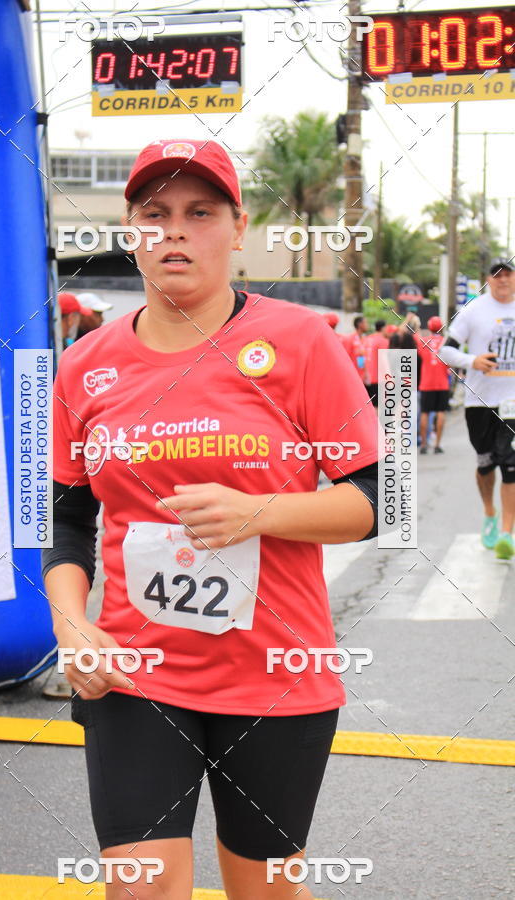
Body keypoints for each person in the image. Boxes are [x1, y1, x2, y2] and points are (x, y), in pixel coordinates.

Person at [42, 138, 380, 899]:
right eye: (154, 213)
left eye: (199, 213)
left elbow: (377, 501)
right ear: (130, 229)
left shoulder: (301, 341)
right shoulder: (81, 365)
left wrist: (259, 512)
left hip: (277, 676)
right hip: (134, 672)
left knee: (262, 891)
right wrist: (72, 624)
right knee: (141, 888)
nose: (174, 231)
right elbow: (63, 522)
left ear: (238, 227)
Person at [439, 257, 515, 560]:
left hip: (512, 403)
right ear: (488, 279)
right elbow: (445, 350)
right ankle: (489, 512)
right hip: (479, 402)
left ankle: (507, 532)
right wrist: (473, 361)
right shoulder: (473, 311)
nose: (503, 280)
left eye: (508, 274)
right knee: (485, 464)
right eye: (497, 275)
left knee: (510, 464)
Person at [418, 316, 450, 454]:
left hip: (426, 383)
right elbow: (450, 362)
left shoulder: (423, 342)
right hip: (442, 383)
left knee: (424, 412)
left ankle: (423, 445)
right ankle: (437, 444)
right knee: (441, 412)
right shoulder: (445, 342)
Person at [364, 319, 389, 406]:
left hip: (366, 378)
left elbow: (361, 357)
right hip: (378, 378)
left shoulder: (367, 339)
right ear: (383, 328)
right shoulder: (383, 341)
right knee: (378, 406)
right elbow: (384, 360)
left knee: (369, 405)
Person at [341, 314, 369, 384]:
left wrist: (366, 373)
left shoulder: (364, 339)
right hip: (351, 378)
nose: (367, 325)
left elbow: (361, 358)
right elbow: (344, 358)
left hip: (362, 378)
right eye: (366, 322)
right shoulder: (349, 339)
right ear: (360, 324)